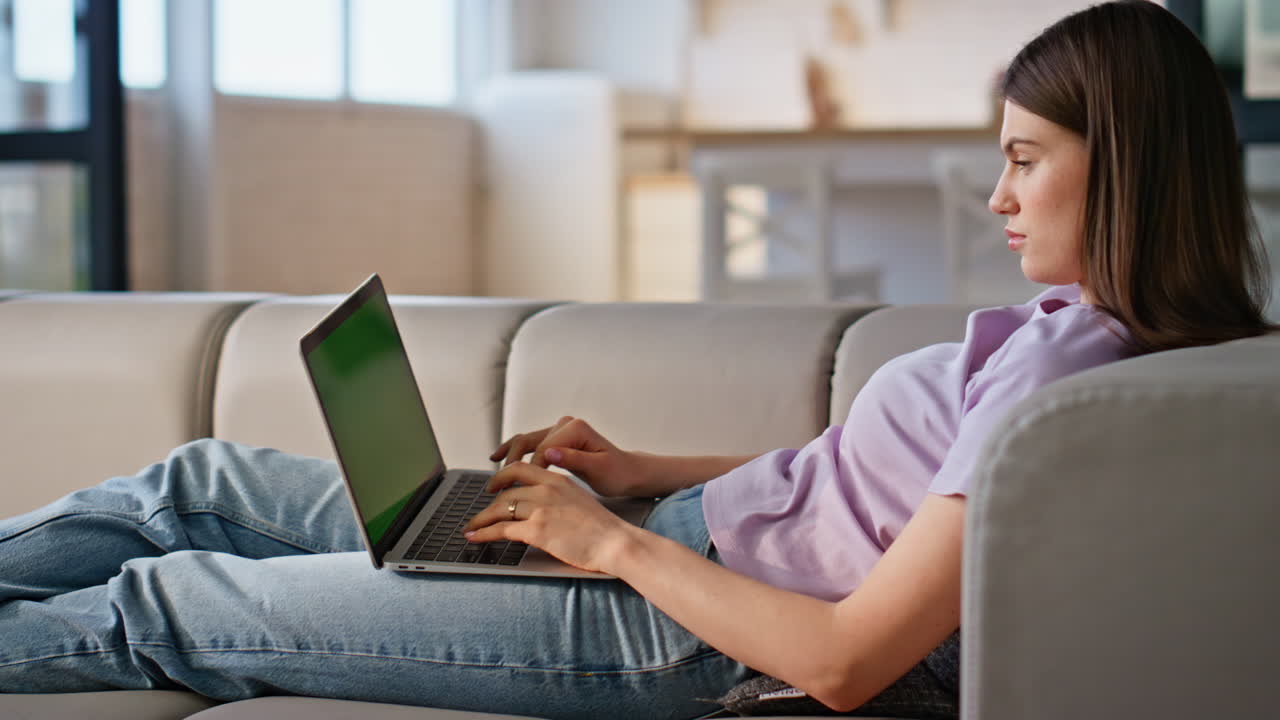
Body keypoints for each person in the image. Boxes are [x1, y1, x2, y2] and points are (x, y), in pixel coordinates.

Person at [1, 2, 1273, 718]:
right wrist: (630, 475)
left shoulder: (1069, 393)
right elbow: (858, 486)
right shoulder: (1075, 342)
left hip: (686, 631)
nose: (995, 193)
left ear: (1129, 168)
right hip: (675, 538)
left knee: (175, 604)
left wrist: (603, 542)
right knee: (199, 481)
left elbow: (843, 663)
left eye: (1024, 158)